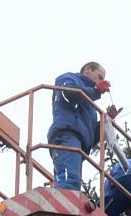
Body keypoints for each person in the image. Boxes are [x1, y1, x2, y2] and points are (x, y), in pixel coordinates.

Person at [47, 61, 119, 190]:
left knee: (71, 180)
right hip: (67, 135)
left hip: (79, 144)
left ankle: (64, 206)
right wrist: (95, 90)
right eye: (100, 77)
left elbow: (91, 136)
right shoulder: (69, 78)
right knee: (70, 181)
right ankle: (65, 209)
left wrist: (106, 121)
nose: (100, 81)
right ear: (87, 70)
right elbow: (66, 94)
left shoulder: (90, 107)